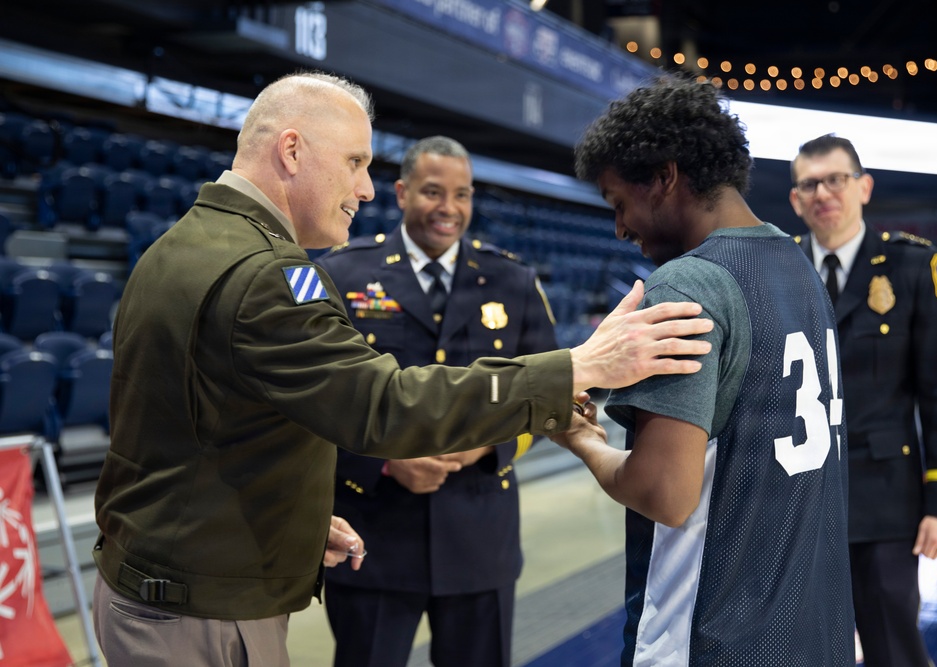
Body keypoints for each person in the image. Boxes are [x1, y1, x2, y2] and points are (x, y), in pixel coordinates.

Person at [89, 70, 715, 667]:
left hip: (186, 579)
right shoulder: (267, 276)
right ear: (291, 151)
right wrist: (578, 366)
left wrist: (293, 522)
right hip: (203, 608)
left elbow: (211, 427)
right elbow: (379, 405)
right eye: (355, 162)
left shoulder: (184, 244)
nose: (363, 188)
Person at [552, 76, 855, 666]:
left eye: (620, 203)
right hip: (814, 629)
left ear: (664, 177)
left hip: (710, 636)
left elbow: (664, 493)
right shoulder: (800, 265)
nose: (619, 228)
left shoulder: (688, 282)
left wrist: (583, 443)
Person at [314, 135, 555, 667]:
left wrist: (484, 449)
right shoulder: (344, 274)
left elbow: (546, 395)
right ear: (400, 193)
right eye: (432, 192)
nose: (449, 209)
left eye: (462, 194)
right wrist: (380, 463)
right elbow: (313, 402)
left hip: (479, 539)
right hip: (372, 540)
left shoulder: (512, 281)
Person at [789, 133, 937, 667]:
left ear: (863, 187)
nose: (824, 192)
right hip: (796, 498)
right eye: (810, 184)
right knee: (800, 648)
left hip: (886, 501)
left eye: (836, 180)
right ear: (796, 199)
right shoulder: (779, 271)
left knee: (893, 646)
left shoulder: (913, 268)